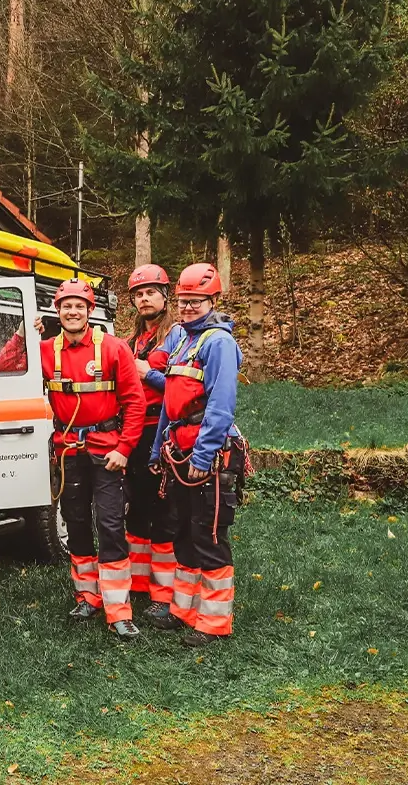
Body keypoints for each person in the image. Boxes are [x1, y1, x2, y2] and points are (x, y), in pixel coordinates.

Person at [148, 263, 249, 647]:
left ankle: (214, 621)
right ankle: (184, 608)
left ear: (213, 300)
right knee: (182, 533)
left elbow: (220, 408)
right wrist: (159, 448)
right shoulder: (183, 340)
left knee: (208, 535)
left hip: (207, 454)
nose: (187, 307)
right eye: (183, 301)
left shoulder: (217, 343)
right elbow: (169, 405)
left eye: (195, 301)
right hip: (178, 448)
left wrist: (202, 459)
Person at [41, 279, 146, 639]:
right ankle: (87, 595)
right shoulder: (45, 349)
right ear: (58, 311)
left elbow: (135, 402)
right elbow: (6, 367)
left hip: (107, 451)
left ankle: (119, 610)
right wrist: (19, 336)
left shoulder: (114, 348)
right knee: (76, 522)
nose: (72, 312)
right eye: (66, 306)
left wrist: (124, 448)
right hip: (69, 450)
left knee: (111, 525)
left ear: (90, 311)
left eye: (79, 306)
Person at [122, 264, 184, 624]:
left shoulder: (176, 336)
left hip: (161, 431)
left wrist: (150, 373)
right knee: (137, 509)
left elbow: (183, 387)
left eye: (150, 292)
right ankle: (138, 584)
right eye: (139, 294)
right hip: (132, 432)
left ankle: (164, 594)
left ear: (164, 295)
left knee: (164, 512)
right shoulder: (130, 341)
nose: (144, 299)